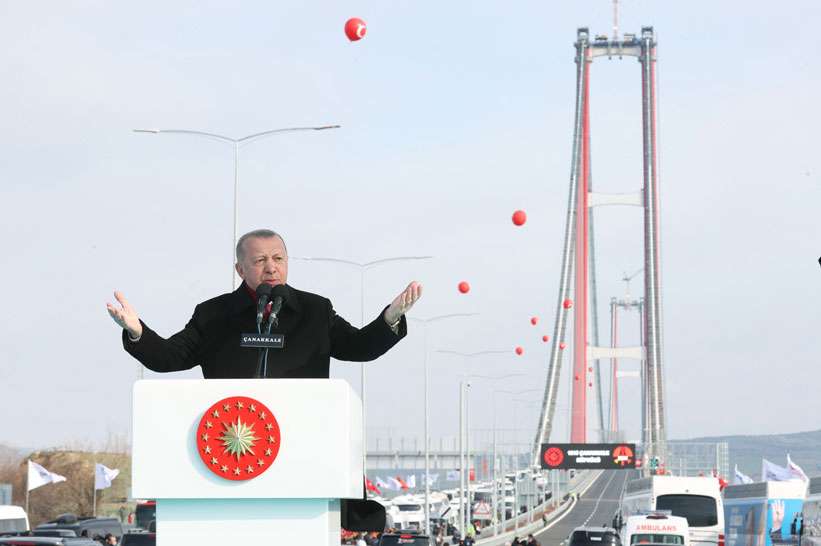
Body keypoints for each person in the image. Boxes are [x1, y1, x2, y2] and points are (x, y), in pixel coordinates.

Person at [107, 229, 422, 378]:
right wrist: (138, 332)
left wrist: (390, 319)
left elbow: (358, 348)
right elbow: (168, 357)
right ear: (240, 270)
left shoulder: (315, 311)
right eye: (259, 260)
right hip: (232, 441)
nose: (271, 267)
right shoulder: (213, 315)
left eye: (278, 258)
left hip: (303, 436)